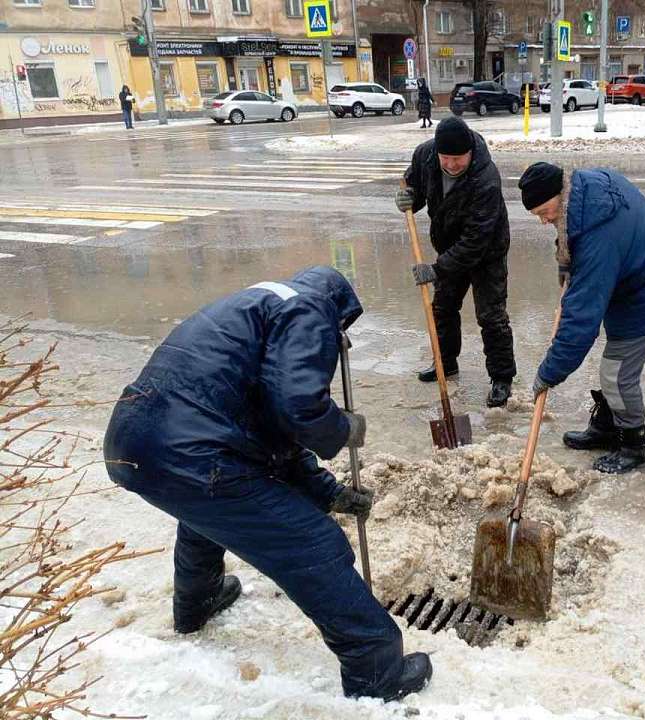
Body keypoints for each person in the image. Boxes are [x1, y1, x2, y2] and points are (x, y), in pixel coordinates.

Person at [102, 266, 432, 702]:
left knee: (208, 509)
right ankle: (376, 666)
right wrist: (342, 428)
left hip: (134, 443)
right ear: (341, 308)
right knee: (312, 543)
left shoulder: (255, 307)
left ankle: (197, 602)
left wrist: (327, 491)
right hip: (195, 453)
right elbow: (299, 408)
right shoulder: (311, 308)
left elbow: (272, 432)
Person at [519, 162, 645, 474]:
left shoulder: (599, 238)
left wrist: (549, 372)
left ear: (560, 193)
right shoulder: (582, 189)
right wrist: (566, 260)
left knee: (617, 372)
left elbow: (581, 324)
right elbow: (571, 232)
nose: (544, 220)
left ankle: (633, 444)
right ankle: (608, 426)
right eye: (537, 215)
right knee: (614, 365)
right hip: (630, 282)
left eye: (544, 211)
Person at [395, 117, 516, 408]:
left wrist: (436, 270)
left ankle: (501, 378)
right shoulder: (425, 155)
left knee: (490, 314)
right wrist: (408, 197)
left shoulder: (485, 179)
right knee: (443, 307)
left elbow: (475, 242)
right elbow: (415, 187)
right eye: (445, 158)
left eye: (457, 159)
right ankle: (445, 362)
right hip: (449, 243)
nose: (451, 165)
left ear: (470, 153)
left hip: (486, 250)